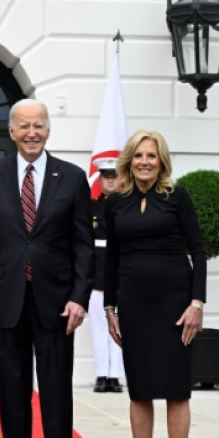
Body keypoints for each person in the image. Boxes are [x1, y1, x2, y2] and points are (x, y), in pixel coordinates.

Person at [0, 98, 94, 438]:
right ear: (11, 131)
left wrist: (79, 298)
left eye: (38, 125)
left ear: (48, 130)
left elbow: (83, 245)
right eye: (24, 126)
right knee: (12, 391)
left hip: (57, 302)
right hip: (6, 299)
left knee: (56, 391)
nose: (31, 133)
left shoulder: (72, 177)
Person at [103, 130, 206, 438]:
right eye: (138, 155)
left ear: (161, 161)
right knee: (140, 389)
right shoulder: (115, 202)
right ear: (129, 161)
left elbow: (198, 250)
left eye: (151, 155)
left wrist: (197, 304)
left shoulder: (178, 197)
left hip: (176, 306)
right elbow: (112, 257)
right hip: (133, 305)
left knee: (177, 389)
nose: (144, 162)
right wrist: (109, 308)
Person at [89, 157, 125, 393]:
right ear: (100, 180)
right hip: (96, 273)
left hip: (121, 273)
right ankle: (102, 374)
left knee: (120, 325)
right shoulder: (90, 207)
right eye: (106, 177)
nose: (110, 181)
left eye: (114, 177)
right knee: (99, 326)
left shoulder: (127, 205)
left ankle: (116, 376)